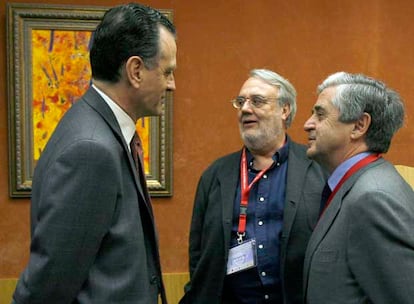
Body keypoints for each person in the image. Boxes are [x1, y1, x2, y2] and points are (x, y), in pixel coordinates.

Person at [12, 3, 176, 304]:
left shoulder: (99, 129)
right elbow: (47, 286)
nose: (172, 85)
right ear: (136, 71)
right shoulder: (91, 150)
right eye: (167, 72)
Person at [180, 69, 327, 304]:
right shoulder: (216, 175)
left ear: (284, 109)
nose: (245, 109)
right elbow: (198, 253)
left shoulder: (318, 169)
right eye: (241, 102)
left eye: (257, 101)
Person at [303, 72, 414, 304]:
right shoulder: (358, 185)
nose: (307, 124)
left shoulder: (373, 198)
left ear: (359, 125)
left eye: (320, 114)